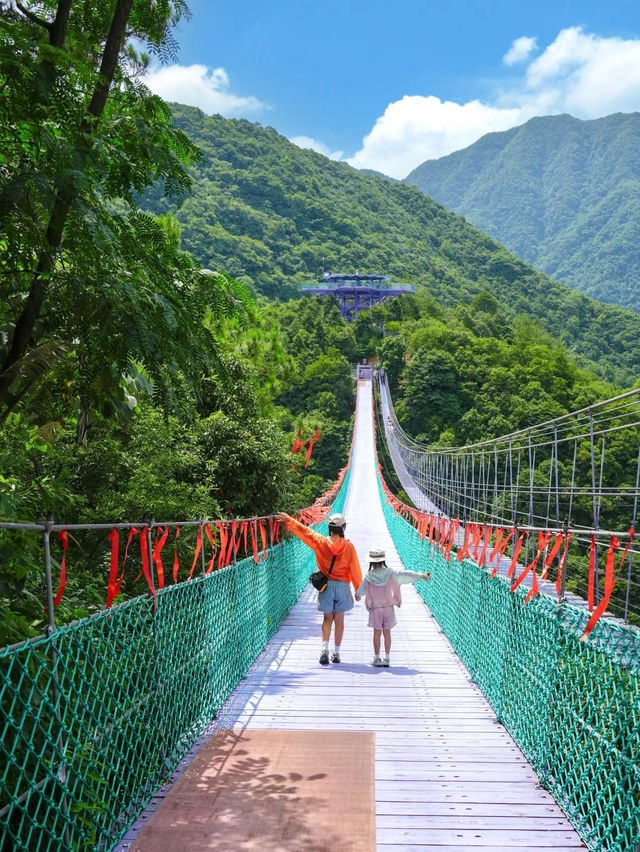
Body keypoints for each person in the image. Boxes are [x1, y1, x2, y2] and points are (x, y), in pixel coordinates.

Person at [275, 511, 362, 665]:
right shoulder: (349, 547)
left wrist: (289, 520)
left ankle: (324, 649)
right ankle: (336, 653)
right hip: (342, 586)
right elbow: (354, 568)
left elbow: (305, 532)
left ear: (329, 527)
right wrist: (358, 589)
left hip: (325, 586)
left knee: (327, 619)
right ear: (343, 528)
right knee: (339, 620)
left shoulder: (320, 542)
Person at [356, 548, 430, 667]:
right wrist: (420, 575)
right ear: (383, 561)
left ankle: (376, 658)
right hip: (388, 608)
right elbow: (405, 575)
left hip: (376, 610)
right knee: (387, 633)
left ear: (371, 563)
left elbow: (360, 591)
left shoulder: (369, 577)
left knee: (376, 633)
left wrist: (357, 594)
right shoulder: (391, 573)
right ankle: (387, 658)